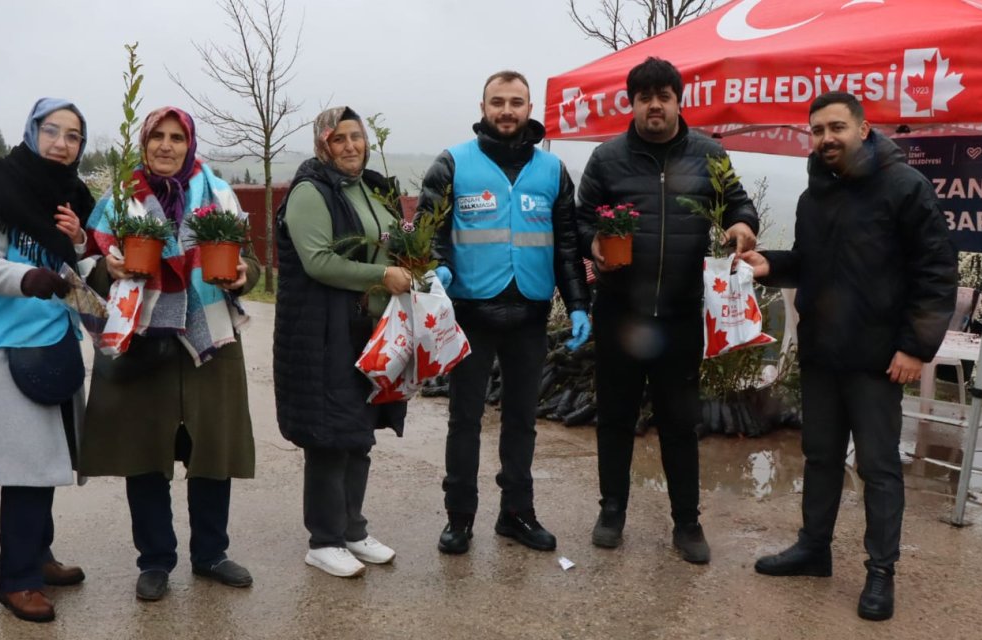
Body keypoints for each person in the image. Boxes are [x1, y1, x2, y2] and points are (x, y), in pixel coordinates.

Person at [740, 91, 957, 621]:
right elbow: (813, 264)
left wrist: (914, 346)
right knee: (819, 458)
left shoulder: (906, 187)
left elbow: (936, 273)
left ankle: (880, 572)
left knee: (880, 468)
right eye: (817, 130)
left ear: (864, 128)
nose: (826, 138)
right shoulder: (815, 196)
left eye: (836, 127)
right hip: (822, 353)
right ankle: (814, 549)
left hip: (879, 358)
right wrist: (771, 264)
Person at [576, 56, 758, 564]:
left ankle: (687, 523)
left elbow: (738, 205)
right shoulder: (608, 158)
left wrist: (742, 227)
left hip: (680, 315)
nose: (654, 105)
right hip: (619, 313)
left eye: (664, 95)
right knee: (614, 418)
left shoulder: (709, 154)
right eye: (644, 96)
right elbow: (582, 220)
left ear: (679, 100)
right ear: (631, 103)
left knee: (680, 422)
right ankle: (611, 511)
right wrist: (594, 246)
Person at [79, 106, 261, 601]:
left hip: (211, 339)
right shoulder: (118, 199)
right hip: (143, 338)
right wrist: (107, 270)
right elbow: (89, 263)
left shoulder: (219, 194)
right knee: (146, 454)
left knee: (211, 453)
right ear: (143, 144)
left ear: (189, 143)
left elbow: (249, 263)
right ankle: (155, 561)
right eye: (157, 136)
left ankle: (211, 555)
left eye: (176, 137)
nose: (166, 145)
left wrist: (246, 274)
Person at [421, 70, 591, 555]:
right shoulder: (453, 164)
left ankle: (516, 513)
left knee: (522, 421)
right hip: (469, 314)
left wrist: (579, 304)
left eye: (517, 102)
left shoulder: (552, 172)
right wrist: (439, 269)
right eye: (498, 101)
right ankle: (459, 516)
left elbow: (567, 247)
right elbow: (430, 234)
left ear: (530, 107)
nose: (507, 111)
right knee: (464, 420)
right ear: (482, 107)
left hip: (529, 317)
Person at [0, 98, 95, 623]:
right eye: (51, 131)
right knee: (26, 465)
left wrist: (80, 240)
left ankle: (38, 553)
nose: (62, 142)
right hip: (0, 342)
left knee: (45, 458)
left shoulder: (73, 195)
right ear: (32, 132)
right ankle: (17, 581)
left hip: (50, 338)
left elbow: (78, 264)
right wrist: (28, 279)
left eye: (73, 135)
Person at [274, 106, 411, 578]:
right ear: (322, 145)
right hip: (325, 331)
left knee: (358, 435)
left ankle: (353, 529)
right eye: (339, 139)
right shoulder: (310, 192)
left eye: (357, 137)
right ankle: (324, 539)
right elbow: (319, 263)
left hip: (370, 332)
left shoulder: (371, 187)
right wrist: (383, 275)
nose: (351, 145)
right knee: (329, 437)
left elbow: (390, 242)